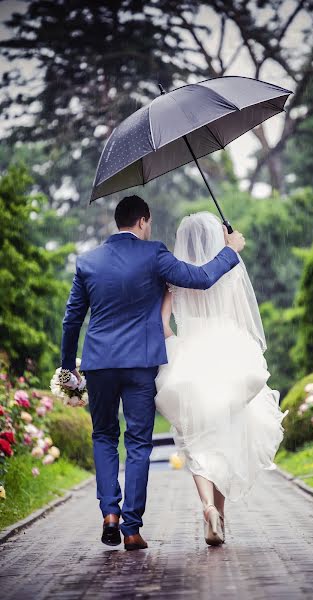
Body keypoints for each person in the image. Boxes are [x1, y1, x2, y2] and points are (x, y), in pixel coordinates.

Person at [60, 195, 245, 551]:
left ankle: (109, 514)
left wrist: (69, 369)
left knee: (103, 437)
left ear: (119, 222)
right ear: (143, 221)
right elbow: (202, 278)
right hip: (141, 364)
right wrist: (230, 249)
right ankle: (131, 528)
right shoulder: (154, 254)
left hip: (99, 363)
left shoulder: (88, 261)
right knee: (139, 443)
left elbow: (72, 320)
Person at [155, 211, 288, 546]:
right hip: (228, 358)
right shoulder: (229, 273)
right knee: (223, 438)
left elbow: (163, 323)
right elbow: (243, 320)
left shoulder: (175, 280)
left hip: (189, 361)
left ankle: (207, 509)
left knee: (196, 439)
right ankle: (222, 517)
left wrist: (173, 345)